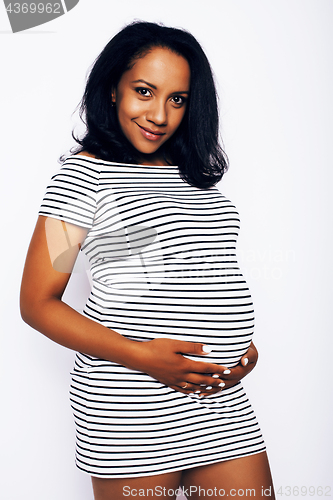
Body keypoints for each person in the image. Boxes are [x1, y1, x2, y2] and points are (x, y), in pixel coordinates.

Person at [20, 21, 275, 500]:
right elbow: (38, 302)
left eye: (177, 99)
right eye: (144, 91)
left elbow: (206, 273)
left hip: (220, 399)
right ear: (113, 89)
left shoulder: (197, 180)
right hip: (132, 406)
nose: (159, 114)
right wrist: (147, 358)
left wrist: (238, 347)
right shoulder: (81, 177)